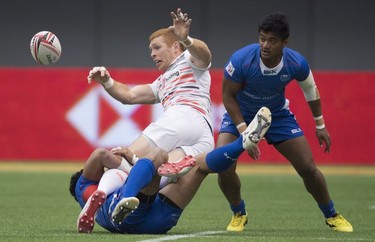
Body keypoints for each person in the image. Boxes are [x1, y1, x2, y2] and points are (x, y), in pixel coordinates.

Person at [216, 12, 353, 232]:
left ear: (284, 43)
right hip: (241, 117)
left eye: (272, 40)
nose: (265, 45)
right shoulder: (241, 60)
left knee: (308, 168)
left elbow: (311, 90)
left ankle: (332, 215)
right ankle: (239, 213)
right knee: (223, 166)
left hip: (277, 116)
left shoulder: (296, 62)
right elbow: (227, 97)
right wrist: (245, 133)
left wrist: (320, 125)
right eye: (262, 38)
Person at [69, 107, 272, 234]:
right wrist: (127, 158)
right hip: (133, 209)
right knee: (159, 155)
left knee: (196, 166)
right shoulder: (85, 185)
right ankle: (241, 144)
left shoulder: (87, 198)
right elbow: (99, 155)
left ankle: (242, 142)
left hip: (156, 222)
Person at [87, 8, 214, 183]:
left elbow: (205, 55)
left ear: (175, 46)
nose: (152, 54)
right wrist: (107, 81)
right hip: (204, 137)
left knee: (120, 162)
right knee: (155, 179)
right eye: (150, 50)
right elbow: (129, 95)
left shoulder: (189, 60)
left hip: (184, 118)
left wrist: (185, 38)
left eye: (157, 47)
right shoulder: (161, 82)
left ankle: (99, 193)